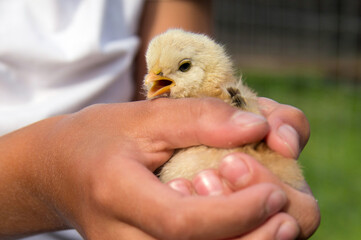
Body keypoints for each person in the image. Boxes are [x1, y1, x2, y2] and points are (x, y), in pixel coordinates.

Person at [0, 0, 320, 239]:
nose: (153, 82)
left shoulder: (227, 109)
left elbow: (182, 65)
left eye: (176, 70)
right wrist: (46, 177)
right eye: (154, 74)